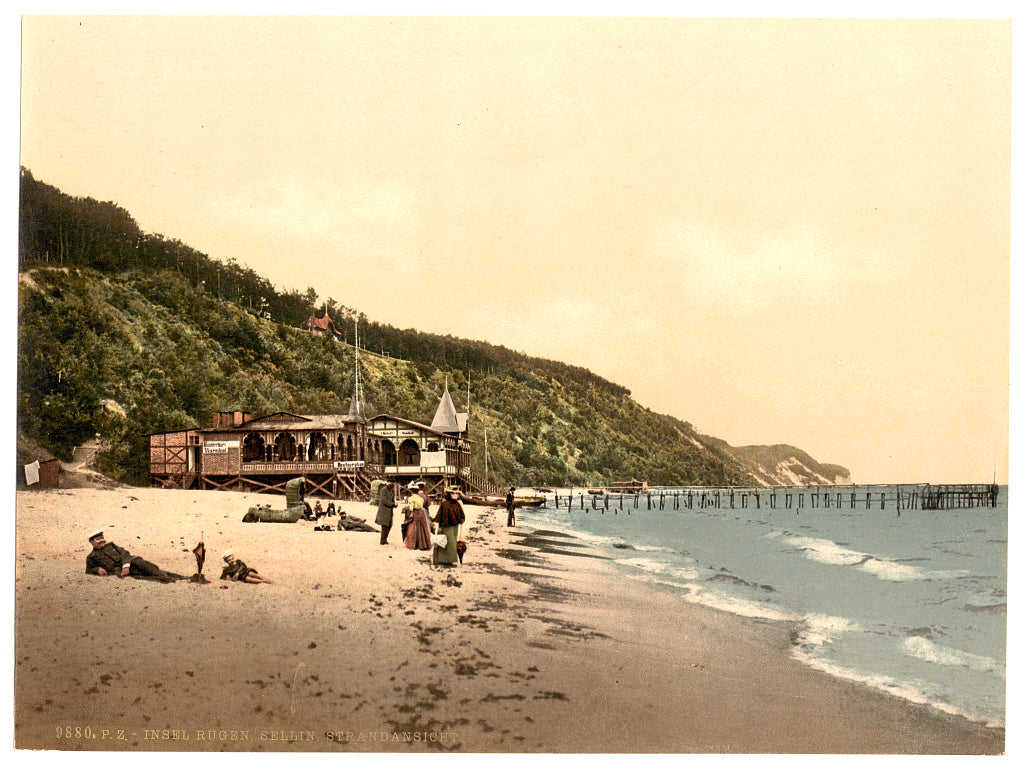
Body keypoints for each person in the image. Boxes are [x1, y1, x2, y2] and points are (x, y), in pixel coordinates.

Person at [85, 530, 178, 582]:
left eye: (102, 538)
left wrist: (126, 566)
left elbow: (124, 553)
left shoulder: (111, 545)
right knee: (144, 575)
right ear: (91, 542)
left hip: (131, 562)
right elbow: (88, 570)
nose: (101, 541)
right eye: (98, 539)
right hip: (121, 572)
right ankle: (166, 578)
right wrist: (96, 569)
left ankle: (172, 578)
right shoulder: (91, 556)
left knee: (146, 566)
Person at [432, 487, 466, 566]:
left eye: (457, 494)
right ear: (450, 494)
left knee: (452, 543)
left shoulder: (457, 504)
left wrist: (461, 520)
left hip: (454, 527)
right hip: (445, 527)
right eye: (454, 493)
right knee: (444, 542)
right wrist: (440, 526)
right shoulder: (444, 503)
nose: (456, 495)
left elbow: (461, 515)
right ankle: (442, 559)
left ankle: (450, 560)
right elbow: (440, 515)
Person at [403, 483, 431, 550]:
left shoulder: (411, 498)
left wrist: (406, 511)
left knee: (413, 528)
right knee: (422, 528)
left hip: (415, 512)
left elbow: (411, 508)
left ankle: (413, 544)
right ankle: (422, 544)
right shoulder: (420, 498)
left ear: (411, 491)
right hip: (421, 513)